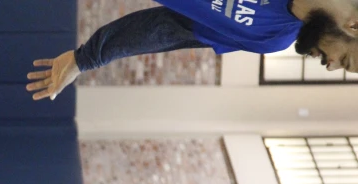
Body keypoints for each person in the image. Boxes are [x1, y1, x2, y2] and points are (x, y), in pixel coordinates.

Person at [26, 1, 358, 102]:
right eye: (344, 60)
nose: (330, 67)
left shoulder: (269, 38)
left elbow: (168, 29)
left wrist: (86, 58)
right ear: (354, 26)